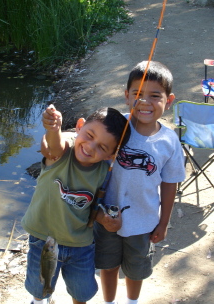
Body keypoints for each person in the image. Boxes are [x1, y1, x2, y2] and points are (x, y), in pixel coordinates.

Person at [94, 61, 186, 304]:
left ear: (169, 100)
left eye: (155, 96)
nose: (145, 101)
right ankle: (109, 302)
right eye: (137, 94)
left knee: (136, 269)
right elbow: (89, 148)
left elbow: (170, 184)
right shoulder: (115, 127)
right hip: (106, 218)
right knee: (108, 265)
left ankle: (132, 301)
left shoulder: (169, 141)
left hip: (144, 222)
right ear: (126, 96)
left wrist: (163, 223)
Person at [22, 105, 131, 304]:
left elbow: (90, 206)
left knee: (81, 293)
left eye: (103, 147)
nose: (90, 147)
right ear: (79, 126)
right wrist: (53, 129)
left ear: (111, 156)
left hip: (81, 245)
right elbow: (52, 147)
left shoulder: (103, 170)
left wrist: (104, 219)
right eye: (89, 135)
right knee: (40, 288)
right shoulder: (62, 152)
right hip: (42, 239)